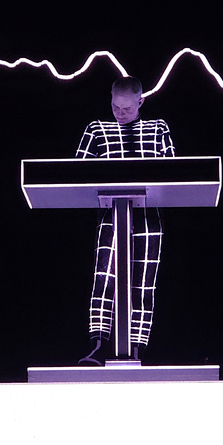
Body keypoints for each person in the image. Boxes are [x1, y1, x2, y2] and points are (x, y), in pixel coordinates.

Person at [76, 76, 175, 364]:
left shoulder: (158, 128)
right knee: (104, 277)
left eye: (127, 108)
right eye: (115, 108)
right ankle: (98, 345)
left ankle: (137, 350)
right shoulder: (97, 129)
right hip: (111, 214)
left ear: (141, 102)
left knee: (144, 283)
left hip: (148, 216)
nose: (120, 114)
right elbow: (76, 173)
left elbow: (174, 169)